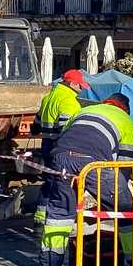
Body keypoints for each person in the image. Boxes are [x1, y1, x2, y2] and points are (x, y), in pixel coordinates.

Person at [39, 93, 133, 266]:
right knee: (125, 213)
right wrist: (115, 192)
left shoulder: (84, 111)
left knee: (59, 213)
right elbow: (124, 165)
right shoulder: (125, 120)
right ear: (125, 109)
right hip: (94, 163)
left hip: (60, 159)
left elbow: (64, 138)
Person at [32, 69, 89, 226]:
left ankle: (40, 219)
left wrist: (36, 131)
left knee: (49, 181)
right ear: (71, 84)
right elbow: (67, 130)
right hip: (61, 147)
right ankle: (62, 218)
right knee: (63, 184)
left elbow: (36, 125)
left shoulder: (48, 97)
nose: (82, 89)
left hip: (46, 145)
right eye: (80, 86)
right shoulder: (68, 101)